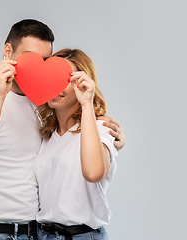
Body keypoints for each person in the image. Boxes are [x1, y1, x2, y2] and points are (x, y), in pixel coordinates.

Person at [0, 19, 126, 240]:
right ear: (8, 52)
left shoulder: (43, 107)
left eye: (44, 61)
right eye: (29, 57)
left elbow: (89, 164)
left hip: (37, 233)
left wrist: (106, 130)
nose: (37, 67)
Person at [34, 49, 117, 240]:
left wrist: (87, 104)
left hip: (82, 236)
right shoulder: (46, 135)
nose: (57, 86)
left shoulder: (102, 128)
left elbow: (94, 173)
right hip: (42, 235)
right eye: (52, 78)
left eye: (66, 79)